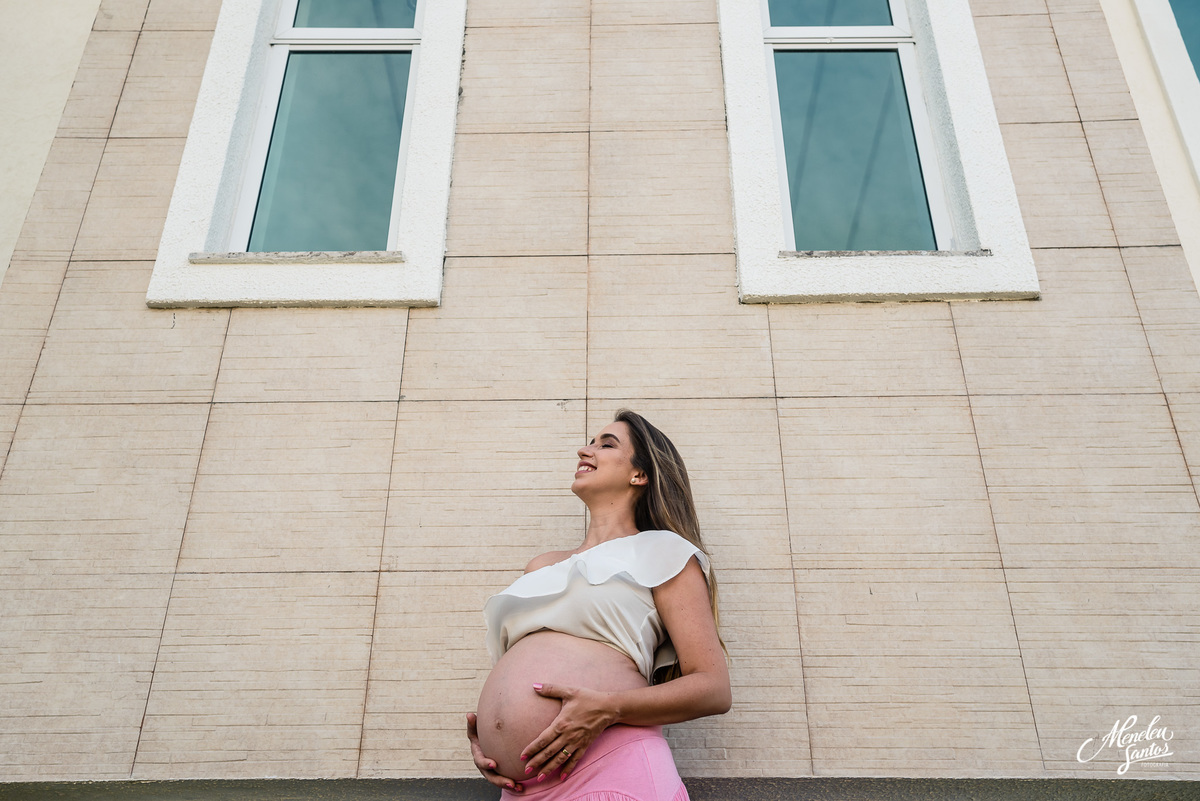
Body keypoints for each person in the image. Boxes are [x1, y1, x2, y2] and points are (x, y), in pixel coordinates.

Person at [466, 410, 732, 801]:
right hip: (522, 789)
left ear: (639, 475)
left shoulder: (665, 552)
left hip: (610, 769)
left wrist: (606, 708)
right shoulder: (542, 566)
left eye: (606, 444)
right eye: (590, 442)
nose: (584, 450)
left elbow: (713, 688)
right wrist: (492, 738)